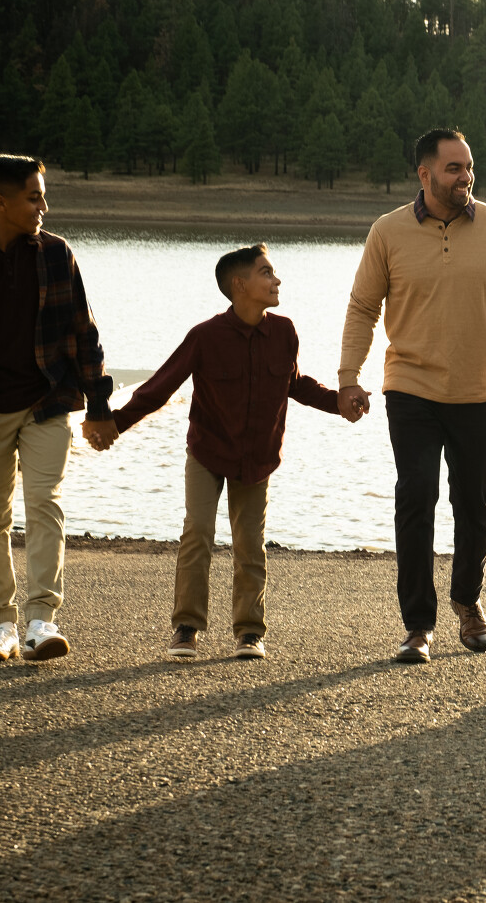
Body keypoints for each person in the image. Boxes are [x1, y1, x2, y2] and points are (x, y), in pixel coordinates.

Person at [338, 128, 486, 665]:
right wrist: (348, 377)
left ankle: (467, 599)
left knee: (474, 504)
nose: (466, 176)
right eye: (454, 167)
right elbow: (362, 308)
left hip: (479, 390)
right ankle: (418, 625)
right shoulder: (387, 231)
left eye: (469, 166)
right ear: (425, 173)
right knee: (416, 497)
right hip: (410, 387)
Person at [108, 245, 352, 661]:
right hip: (208, 451)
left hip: (257, 458)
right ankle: (186, 629)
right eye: (266, 273)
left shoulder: (285, 332)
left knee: (250, 545)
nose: (276, 280)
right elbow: (161, 386)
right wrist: (114, 424)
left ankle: (250, 633)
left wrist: (338, 402)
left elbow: (295, 383)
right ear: (240, 285)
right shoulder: (205, 336)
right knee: (198, 533)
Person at [0, 154, 119, 663]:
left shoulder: (56, 254)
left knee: (44, 504)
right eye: (34, 198)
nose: (43, 207)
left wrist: (99, 405)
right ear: (1, 203)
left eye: (42, 197)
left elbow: (84, 334)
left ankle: (41, 621)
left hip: (47, 401)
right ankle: (0, 626)